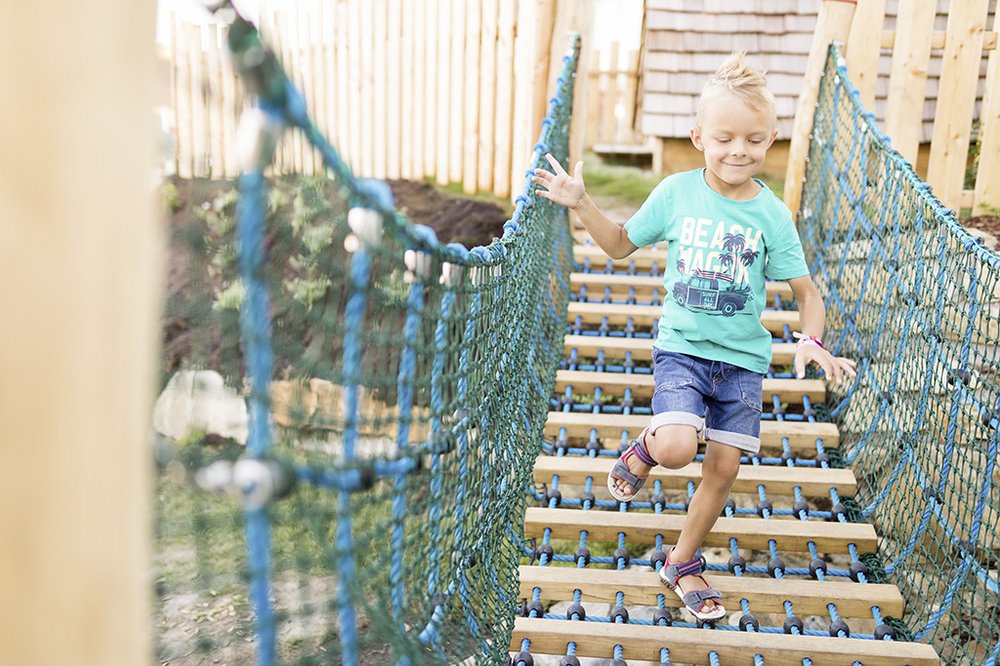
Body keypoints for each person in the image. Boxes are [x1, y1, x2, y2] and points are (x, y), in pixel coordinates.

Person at [532, 52, 857, 621]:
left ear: (772, 139)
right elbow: (619, 245)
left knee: (725, 468)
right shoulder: (677, 192)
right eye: (725, 137)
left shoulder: (772, 216)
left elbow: (808, 293)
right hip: (682, 349)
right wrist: (581, 203)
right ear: (698, 136)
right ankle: (647, 448)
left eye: (754, 141)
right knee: (679, 448)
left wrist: (813, 342)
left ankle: (681, 563)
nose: (739, 151)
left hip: (742, 363)